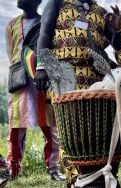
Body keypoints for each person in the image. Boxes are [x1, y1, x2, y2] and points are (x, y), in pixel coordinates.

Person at [35, 0, 121, 186]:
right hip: (65, 74)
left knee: (96, 132)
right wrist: (41, 66)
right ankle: (75, 180)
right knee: (71, 132)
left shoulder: (100, 11)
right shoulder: (57, 3)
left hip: (96, 79)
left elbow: (118, 45)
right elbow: (44, 35)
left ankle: (101, 178)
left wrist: (116, 29)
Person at [5, 0, 64, 181]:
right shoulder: (11, 24)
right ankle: (12, 169)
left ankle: (53, 168)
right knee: (16, 127)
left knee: (49, 124)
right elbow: (12, 52)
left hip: (41, 78)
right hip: (20, 81)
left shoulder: (44, 20)